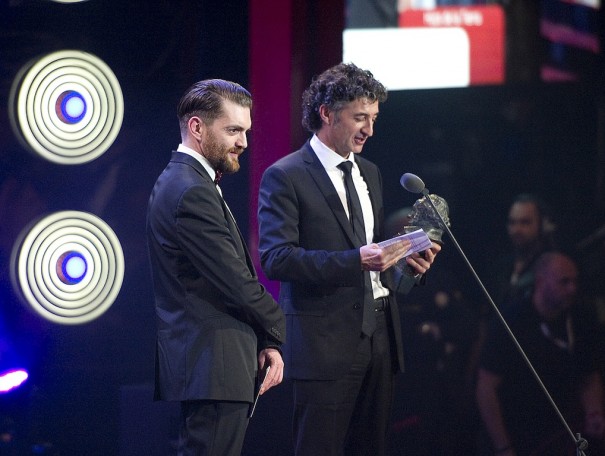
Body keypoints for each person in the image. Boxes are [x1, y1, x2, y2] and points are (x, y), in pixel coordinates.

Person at [257, 62, 441, 455]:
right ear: (326, 113)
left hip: (380, 338)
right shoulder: (285, 176)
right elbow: (276, 259)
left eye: (373, 118)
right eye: (360, 117)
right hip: (323, 347)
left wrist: (407, 263)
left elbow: (373, 255)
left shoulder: (370, 172)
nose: (369, 130)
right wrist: (355, 260)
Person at [146, 79, 286, 456]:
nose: (243, 141)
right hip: (212, 367)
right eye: (233, 130)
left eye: (245, 131)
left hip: (215, 367)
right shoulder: (189, 189)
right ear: (196, 127)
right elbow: (237, 282)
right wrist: (279, 326)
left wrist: (265, 340)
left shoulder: (186, 182)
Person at [476, 252, 605, 456]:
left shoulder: (580, 318)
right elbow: (486, 388)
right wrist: (503, 447)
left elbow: (588, 375)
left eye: (574, 281)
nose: (572, 289)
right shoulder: (511, 321)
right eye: (564, 282)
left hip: (564, 430)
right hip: (520, 432)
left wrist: (594, 412)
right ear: (541, 281)